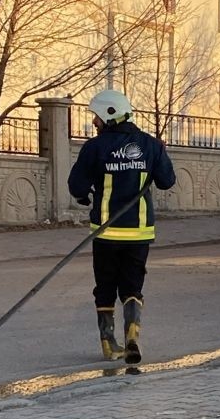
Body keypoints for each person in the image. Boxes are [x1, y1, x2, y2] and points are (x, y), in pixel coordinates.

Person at [68, 89, 176, 364]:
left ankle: (109, 344)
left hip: (105, 233)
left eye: (96, 117)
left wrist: (85, 195)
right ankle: (133, 335)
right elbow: (167, 181)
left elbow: (77, 186)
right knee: (132, 287)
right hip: (139, 233)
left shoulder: (95, 147)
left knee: (104, 288)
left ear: (109, 114)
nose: (94, 122)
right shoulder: (151, 145)